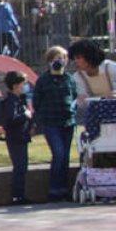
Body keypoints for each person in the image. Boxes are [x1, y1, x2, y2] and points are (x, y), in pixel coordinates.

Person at [33, 45, 77, 202]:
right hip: (51, 123)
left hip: (68, 122)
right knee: (58, 154)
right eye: (56, 59)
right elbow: (36, 102)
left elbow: (74, 97)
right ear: (49, 61)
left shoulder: (70, 79)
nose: (59, 61)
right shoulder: (43, 81)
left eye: (62, 58)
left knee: (65, 157)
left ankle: (63, 190)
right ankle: (54, 190)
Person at [0, 70, 34, 205]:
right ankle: (17, 195)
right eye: (23, 84)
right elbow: (10, 120)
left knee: (22, 166)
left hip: (21, 137)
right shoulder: (11, 102)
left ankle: (20, 194)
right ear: (15, 86)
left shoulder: (20, 100)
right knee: (20, 166)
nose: (25, 87)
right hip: (15, 138)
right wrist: (25, 115)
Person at [68, 39, 116, 112]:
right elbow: (83, 101)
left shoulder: (110, 67)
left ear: (89, 56)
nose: (75, 61)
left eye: (78, 58)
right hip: (96, 112)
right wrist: (81, 100)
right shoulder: (78, 77)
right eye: (74, 58)